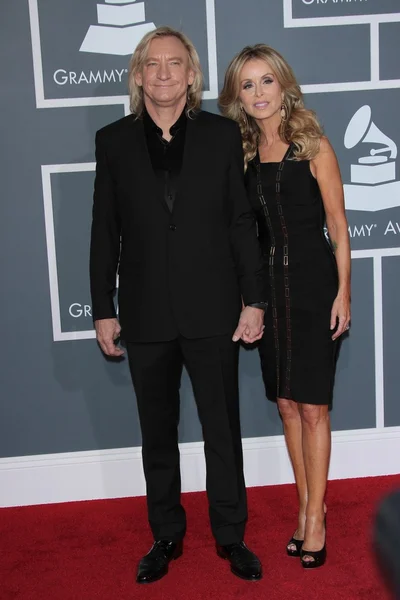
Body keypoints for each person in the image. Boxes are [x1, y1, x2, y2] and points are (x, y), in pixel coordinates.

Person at [89, 27, 267, 584]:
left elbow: (241, 223)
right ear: (138, 75)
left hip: (213, 309)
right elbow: (104, 231)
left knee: (223, 430)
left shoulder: (220, 136)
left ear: (192, 76)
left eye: (175, 64)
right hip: (144, 314)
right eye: (152, 64)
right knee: (157, 433)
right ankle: (165, 534)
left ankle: (231, 536)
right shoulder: (113, 141)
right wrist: (102, 306)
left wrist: (254, 299)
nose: (163, 73)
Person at [219, 44, 351, 569]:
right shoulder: (244, 152)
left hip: (317, 285)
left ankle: (316, 519)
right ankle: (303, 510)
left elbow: (338, 226)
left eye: (266, 82)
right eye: (247, 85)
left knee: (314, 406)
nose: (258, 94)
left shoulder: (312, 142)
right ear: (237, 95)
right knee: (287, 406)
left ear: (283, 85)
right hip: (270, 291)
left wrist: (345, 291)